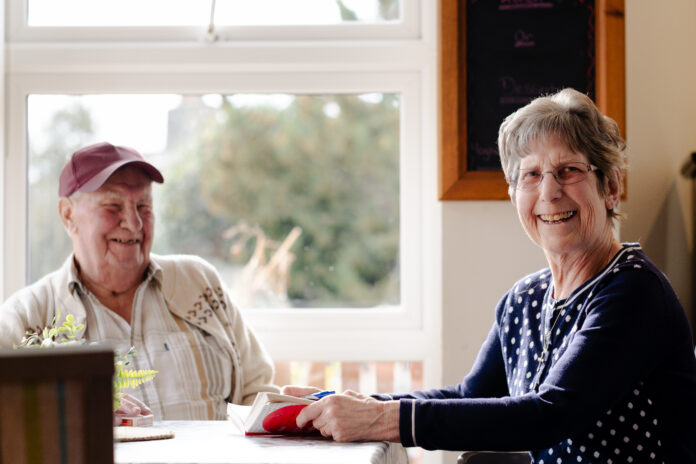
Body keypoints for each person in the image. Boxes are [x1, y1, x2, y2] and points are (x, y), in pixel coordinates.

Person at [284, 88, 696, 462]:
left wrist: (378, 419)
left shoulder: (633, 289)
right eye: (530, 175)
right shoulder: (525, 299)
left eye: (569, 170)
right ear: (514, 195)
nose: (549, 192)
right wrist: (342, 405)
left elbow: (549, 415)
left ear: (610, 187)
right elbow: (469, 396)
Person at [0, 142, 278, 420]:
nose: (134, 223)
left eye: (144, 206)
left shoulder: (199, 282)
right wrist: (73, 411)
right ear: (68, 215)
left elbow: (257, 390)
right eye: (113, 206)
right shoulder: (27, 317)